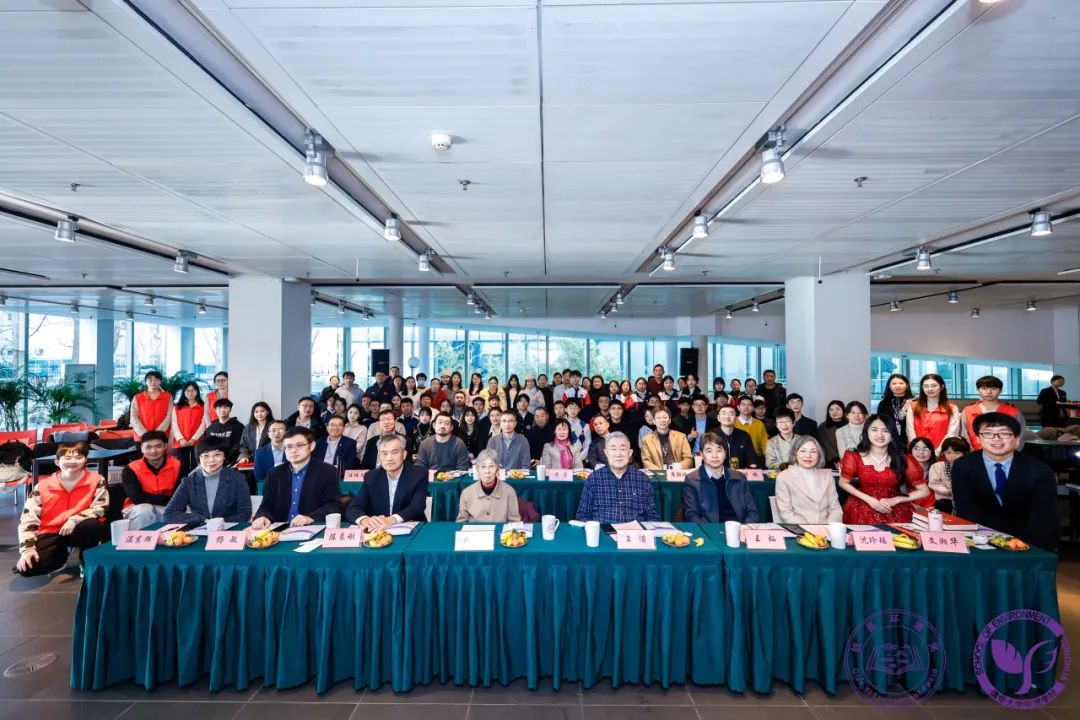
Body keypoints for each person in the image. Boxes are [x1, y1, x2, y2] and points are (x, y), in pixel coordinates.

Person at [951, 412, 1057, 551]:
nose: (996, 439)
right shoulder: (963, 466)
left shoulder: (1039, 470)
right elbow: (966, 510)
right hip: (980, 542)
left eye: (1004, 433)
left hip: (1027, 542)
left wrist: (1025, 548)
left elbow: (1042, 517)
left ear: (1017, 439)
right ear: (978, 439)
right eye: (988, 433)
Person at [15, 441, 108, 576]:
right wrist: (27, 550)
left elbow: (101, 507)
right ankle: (60, 556)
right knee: (28, 568)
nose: (73, 461)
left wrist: (75, 519)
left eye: (78, 457)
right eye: (67, 458)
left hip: (79, 528)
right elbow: (28, 519)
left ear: (85, 460)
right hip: (50, 532)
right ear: (57, 462)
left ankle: (86, 561)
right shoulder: (42, 486)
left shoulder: (97, 480)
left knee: (92, 525)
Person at [838, 414, 929, 524]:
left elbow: (924, 491)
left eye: (885, 430)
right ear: (867, 432)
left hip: (894, 508)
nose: (880, 435)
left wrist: (896, 500)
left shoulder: (904, 459)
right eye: (874, 430)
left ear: (892, 434)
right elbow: (843, 482)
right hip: (861, 507)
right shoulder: (854, 456)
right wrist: (869, 500)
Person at [252, 427, 341, 528]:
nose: (294, 450)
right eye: (289, 447)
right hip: (280, 530)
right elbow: (267, 505)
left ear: (311, 446)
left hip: (311, 528)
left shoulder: (327, 471)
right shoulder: (274, 474)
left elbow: (333, 505)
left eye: (299, 445)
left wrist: (310, 518)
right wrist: (263, 516)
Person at [346, 434, 428, 529]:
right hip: (379, 530)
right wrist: (366, 520)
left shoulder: (418, 473)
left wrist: (391, 519)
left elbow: (417, 507)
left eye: (394, 452)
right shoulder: (371, 477)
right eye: (384, 453)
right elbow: (353, 508)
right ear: (379, 456)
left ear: (404, 454)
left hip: (411, 528)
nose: (389, 458)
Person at [163, 438, 251, 525]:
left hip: (229, 528)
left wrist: (220, 523)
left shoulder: (237, 478)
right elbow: (168, 514)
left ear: (224, 457)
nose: (211, 460)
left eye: (217, 455)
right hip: (199, 529)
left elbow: (245, 512)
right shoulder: (189, 482)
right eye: (206, 456)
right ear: (199, 458)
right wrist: (201, 520)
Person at [575, 432, 658, 523]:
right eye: (613, 449)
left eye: (623, 449)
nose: (618, 454)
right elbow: (582, 516)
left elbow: (652, 517)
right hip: (603, 530)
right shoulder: (594, 479)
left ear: (630, 453)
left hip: (634, 531)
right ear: (606, 453)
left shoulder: (642, 479)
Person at [683, 432, 759, 524]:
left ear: (725, 454)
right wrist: (710, 531)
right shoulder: (692, 480)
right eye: (709, 451)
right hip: (709, 529)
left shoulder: (739, 478)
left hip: (739, 528)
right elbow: (691, 515)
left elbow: (752, 511)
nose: (715, 456)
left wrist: (745, 528)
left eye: (719, 450)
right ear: (702, 455)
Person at [774, 436, 843, 525]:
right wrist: (809, 530)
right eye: (803, 451)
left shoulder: (827, 477)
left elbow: (835, 509)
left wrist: (828, 527)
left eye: (813, 451)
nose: (808, 456)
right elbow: (786, 513)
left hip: (826, 529)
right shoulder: (784, 477)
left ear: (819, 455)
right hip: (799, 529)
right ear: (795, 453)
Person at [121, 430, 182, 529]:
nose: (153, 451)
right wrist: (167, 499)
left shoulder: (178, 465)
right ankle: (141, 538)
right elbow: (137, 498)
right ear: (141, 449)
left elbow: (181, 494)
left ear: (165, 446)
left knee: (189, 511)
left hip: (169, 506)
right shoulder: (131, 469)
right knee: (144, 510)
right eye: (148, 447)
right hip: (138, 507)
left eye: (158, 446)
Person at [456, 449, 521, 523]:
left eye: (491, 466)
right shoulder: (466, 493)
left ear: (497, 469)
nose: (487, 471)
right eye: (483, 466)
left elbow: (514, 522)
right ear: (477, 469)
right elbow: (461, 522)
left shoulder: (509, 491)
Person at [963, 375, 1025, 450]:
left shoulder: (1013, 412)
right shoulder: (968, 411)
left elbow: (1020, 436)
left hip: (1005, 453)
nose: (989, 392)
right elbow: (964, 435)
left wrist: (1012, 454)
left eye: (994, 388)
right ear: (977, 389)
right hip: (974, 453)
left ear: (1000, 390)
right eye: (984, 388)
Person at [906, 374, 961, 453]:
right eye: (926, 386)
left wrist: (938, 452)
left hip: (942, 452)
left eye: (934, 386)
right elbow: (910, 430)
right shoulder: (913, 407)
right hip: (916, 453)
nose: (930, 389)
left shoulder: (952, 409)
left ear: (942, 387)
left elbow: (952, 434)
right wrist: (917, 450)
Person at [170, 381, 206, 474]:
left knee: (197, 465)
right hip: (180, 442)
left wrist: (194, 439)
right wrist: (180, 439)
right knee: (181, 466)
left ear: (197, 392)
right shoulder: (177, 407)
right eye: (188, 390)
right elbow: (174, 424)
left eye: (193, 390)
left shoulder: (203, 406)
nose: (190, 393)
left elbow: (203, 424)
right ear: (184, 392)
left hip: (197, 441)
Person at [927, 436, 970, 513]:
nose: (952, 456)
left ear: (964, 453)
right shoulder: (937, 466)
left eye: (957, 453)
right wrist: (947, 491)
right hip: (944, 502)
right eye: (948, 453)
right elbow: (933, 483)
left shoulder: (969, 467)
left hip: (964, 502)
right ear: (943, 453)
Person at [130, 370, 172, 440]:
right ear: (145, 381)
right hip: (142, 437)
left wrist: (158, 433)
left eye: (156, 380)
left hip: (161, 436)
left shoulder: (168, 397)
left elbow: (169, 417)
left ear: (160, 381)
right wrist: (144, 433)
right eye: (150, 380)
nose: (153, 382)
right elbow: (133, 417)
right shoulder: (137, 397)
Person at [876, 373, 913, 445]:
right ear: (889, 386)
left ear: (907, 386)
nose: (897, 386)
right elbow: (880, 423)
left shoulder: (914, 402)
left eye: (901, 383)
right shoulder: (883, 404)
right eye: (894, 383)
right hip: (889, 439)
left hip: (910, 439)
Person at [205, 398, 245, 463]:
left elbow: (239, 446)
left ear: (230, 410)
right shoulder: (211, 428)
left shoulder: (238, 426)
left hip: (232, 461)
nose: (222, 410)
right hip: (214, 461)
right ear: (215, 410)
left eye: (226, 407)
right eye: (219, 408)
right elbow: (207, 446)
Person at [254, 420, 288, 490]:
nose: (277, 433)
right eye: (273, 430)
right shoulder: (260, 452)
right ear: (269, 434)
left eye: (281, 430)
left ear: (286, 433)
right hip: (267, 485)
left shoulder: (292, 450)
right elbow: (259, 476)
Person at [906, 436, 938, 509]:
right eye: (916, 448)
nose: (921, 452)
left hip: (931, 505)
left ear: (932, 452)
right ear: (910, 451)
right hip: (907, 503)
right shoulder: (903, 466)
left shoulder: (937, 467)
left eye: (925, 449)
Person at [818, 399, 848, 466]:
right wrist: (836, 459)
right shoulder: (823, 427)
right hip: (831, 462)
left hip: (850, 459)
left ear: (843, 410)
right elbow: (825, 445)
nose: (835, 412)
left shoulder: (849, 425)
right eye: (831, 410)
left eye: (838, 409)